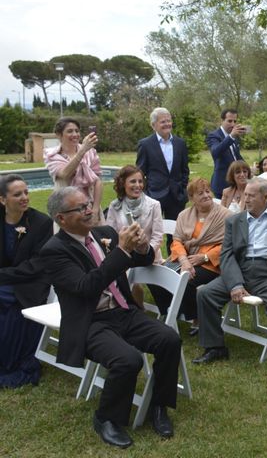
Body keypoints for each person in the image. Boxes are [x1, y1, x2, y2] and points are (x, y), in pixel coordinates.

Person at [40, 187, 181, 449]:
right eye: (80, 208)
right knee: (128, 360)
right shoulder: (54, 251)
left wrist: (140, 247)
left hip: (122, 310)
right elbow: (86, 287)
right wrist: (122, 252)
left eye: (89, 204)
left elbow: (142, 259)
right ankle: (106, 419)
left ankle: (158, 407)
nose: (90, 210)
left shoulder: (104, 234)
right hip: (90, 321)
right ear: (61, 219)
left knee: (169, 339)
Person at [193, 178, 267, 364]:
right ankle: (215, 347)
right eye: (245, 195)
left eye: (251, 195)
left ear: (265, 197)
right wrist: (235, 284)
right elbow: (227, 254)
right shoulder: (234, 221)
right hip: (240, 270)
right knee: (205, 294)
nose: (245, 199)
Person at [0, 174, 52, 388]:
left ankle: (10, 359)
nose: (24, 197)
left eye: (26, 192)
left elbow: (37, 264)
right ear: (2, 200)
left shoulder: (41, 222)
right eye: (17, 194)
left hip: (31, 283)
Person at [164, 178, 232, 330]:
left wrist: (205, 257)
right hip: (186, 258)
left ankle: (196, 317)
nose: (206, 195)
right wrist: (184, 261)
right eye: (200, 193)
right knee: (157, 274)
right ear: (191, 198)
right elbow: (177, 241)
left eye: (208, 191)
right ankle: (169, 311)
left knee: (186, 279)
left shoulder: (226, 215)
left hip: (212, 262)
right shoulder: (184, 215)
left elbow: (229, 245)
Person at [105, 165, 164, 307]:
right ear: (122, 183)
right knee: (120, 275)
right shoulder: (114, 206)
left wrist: (146, 252)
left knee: (133, 280)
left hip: (149, 255)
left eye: (140, 181)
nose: (138, 185)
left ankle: (136, 310)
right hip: (124, 254)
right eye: (133, 181)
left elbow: (157, 237)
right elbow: (110, 233)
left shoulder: (154, 205)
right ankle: (132, 308)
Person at [136, 107, 189, 255]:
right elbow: (140, 172)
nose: (167, 124)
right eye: (163, 121)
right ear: (154, 125)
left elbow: (185, 170)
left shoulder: (180, 143)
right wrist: (146, 193)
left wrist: (182, 188)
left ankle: (175, 261)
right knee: (154, 233)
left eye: (169, 120)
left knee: (176, 233)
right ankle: (152, 261)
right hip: (154, 195)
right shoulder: (145, 144)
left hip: (176, 196)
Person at [45, 117, 103, 224]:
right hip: (65, 208)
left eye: (77, 131)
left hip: (89, 206)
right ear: (59, 135)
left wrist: (95, 210)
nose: (75, 134)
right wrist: (82, 150)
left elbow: (98, 181)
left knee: (96, 239)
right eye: (70, 131)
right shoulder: (52, 155)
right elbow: (64, 174)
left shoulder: (91, 152)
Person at [206, 108, 248, 198]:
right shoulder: (214, 135)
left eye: (235, 121)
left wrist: (247, 168)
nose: (233, 124)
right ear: (222, 120)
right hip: (221, 184)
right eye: (229, 121)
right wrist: (231, 136)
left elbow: (236, 156)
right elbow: (215, 152)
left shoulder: (234, 137)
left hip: (236, 183)